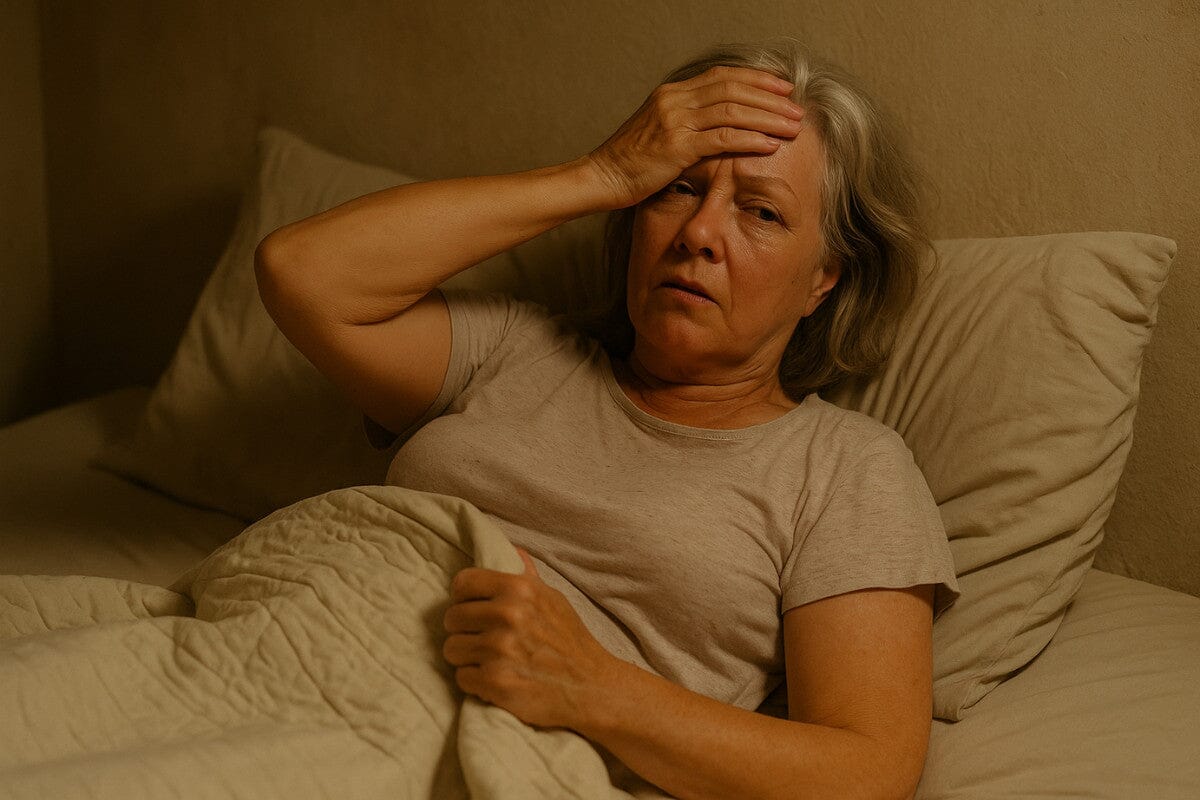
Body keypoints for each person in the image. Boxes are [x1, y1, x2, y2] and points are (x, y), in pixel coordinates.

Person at [256, 40, 958, 800]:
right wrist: (604, 173)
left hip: (461, 756)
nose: (698, 233)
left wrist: (593, 687)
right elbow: (302, 274)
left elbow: (868, 771)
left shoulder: (843, 467)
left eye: (759, 211)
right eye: (678, 189)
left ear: (824, 277)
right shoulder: (514, 350)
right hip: (285, 650)